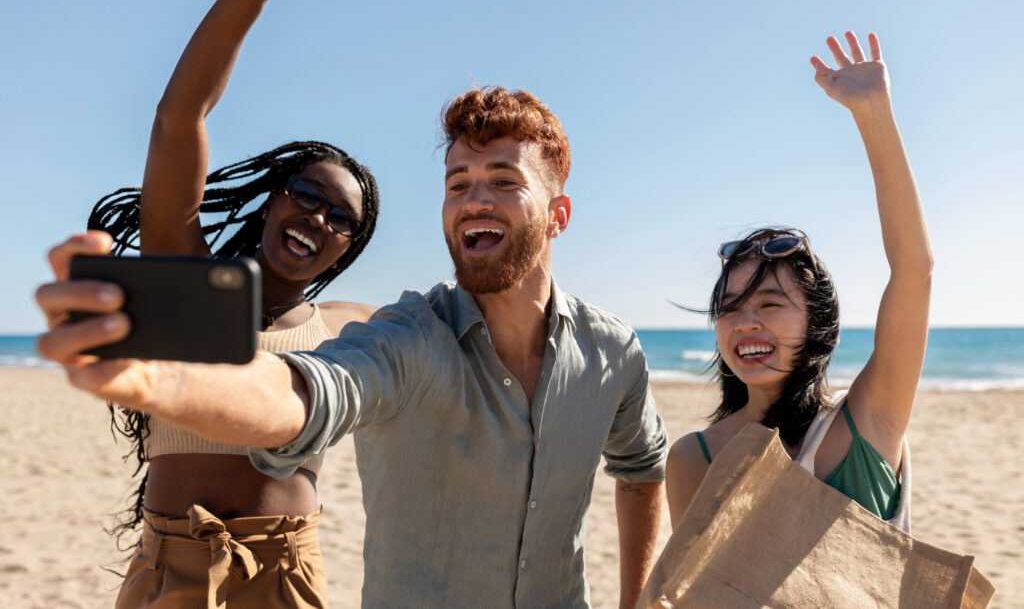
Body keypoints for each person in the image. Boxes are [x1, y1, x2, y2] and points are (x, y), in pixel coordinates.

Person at [37, 86, 669, 608]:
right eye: (457, 183)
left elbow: (642, 471)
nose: (474, 198)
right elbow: (304, 390)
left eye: (503, 180)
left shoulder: (613, 352)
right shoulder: (412, 337)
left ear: (558, 215)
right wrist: (161, 379)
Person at [84, 0, 382, 606]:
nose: (319, 220)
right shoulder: (189, 281)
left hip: (283, 572)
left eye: (343, 220)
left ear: (350, 247)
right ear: (276, 197)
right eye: (309, 196)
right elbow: (178, 116)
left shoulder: (350, 324)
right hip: (168, 564)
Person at [665, 32, 930, 534]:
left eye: (769, 304)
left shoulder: (868, 421)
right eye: (730, 308)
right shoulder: (693, 460)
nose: (745, 323)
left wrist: (874, 114)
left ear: (817, 323)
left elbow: (913, 271)